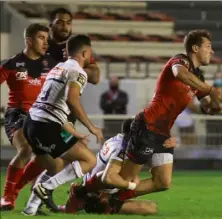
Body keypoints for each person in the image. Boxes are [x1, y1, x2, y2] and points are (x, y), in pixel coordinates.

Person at [113, 29, 222, 202]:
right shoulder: (180, 60)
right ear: (195, 48)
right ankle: (88, 193)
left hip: (163, 133)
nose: (211, 51)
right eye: (208, 47)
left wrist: (221, 105)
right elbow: (179, 73)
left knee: (163, 182)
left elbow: (206, 107)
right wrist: (211, 90)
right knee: (124, 178)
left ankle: (115, 199)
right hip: (147, 126)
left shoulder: (198, 77)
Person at [10, 7, 102, 206]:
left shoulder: (75, 48)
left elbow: (95, 76)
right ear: (50, 25)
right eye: (59, 22)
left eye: (68, 22)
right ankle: (28, 195)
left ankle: (35, 197)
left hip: (63, 114)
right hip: (43, 111)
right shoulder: (42, 45)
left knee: (53, 159)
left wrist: (73, 66)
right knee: (48, 156)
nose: (65, 26)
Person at [62, 119, 174, 215]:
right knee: (142, 200)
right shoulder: (121, 148)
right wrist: (131, 185)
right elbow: (108, 178)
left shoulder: (121, 140)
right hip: (96, 190)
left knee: (151, 207)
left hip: (107, 188)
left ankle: (108, 203)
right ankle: (85, 196)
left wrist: (165, 146)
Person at [0, 23, 57, 211]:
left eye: (47, 39)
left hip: (42, 117)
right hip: (18, 115)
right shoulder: (12, 64)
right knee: (25, 149)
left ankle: (14, 190)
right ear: (29, 40)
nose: (45, 43)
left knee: (52, 162)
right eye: (41, 38)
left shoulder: (51, 63)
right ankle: (7, 197)